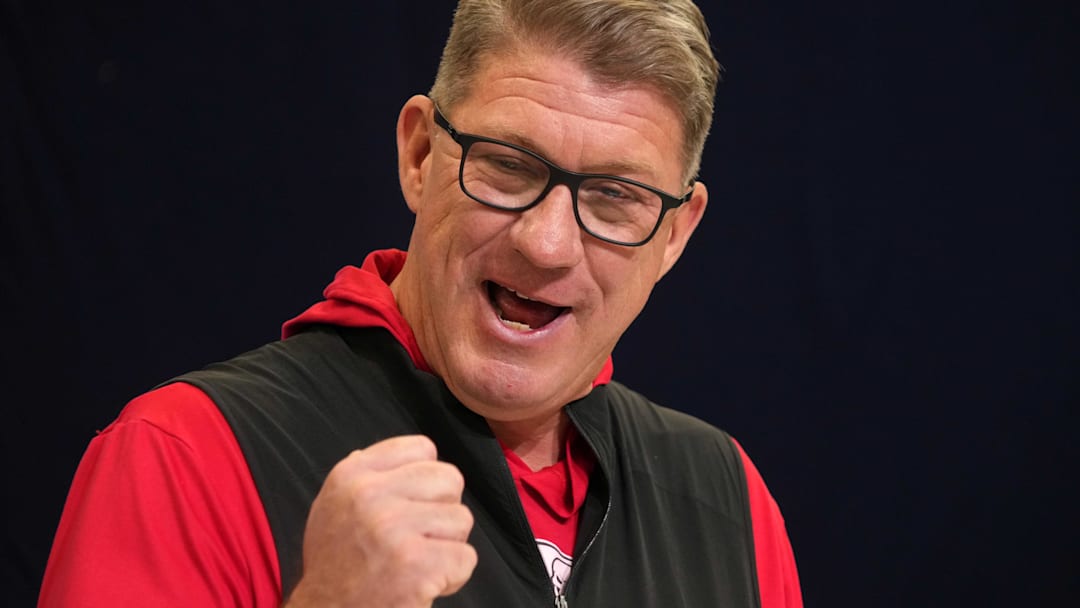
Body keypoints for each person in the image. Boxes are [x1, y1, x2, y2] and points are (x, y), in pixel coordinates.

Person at [40, 1, 802, 606]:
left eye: (613, 198)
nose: (546, 244)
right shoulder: (185, 457)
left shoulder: (726, 502)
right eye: (507, 166)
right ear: (419, 155)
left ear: (673, 234)